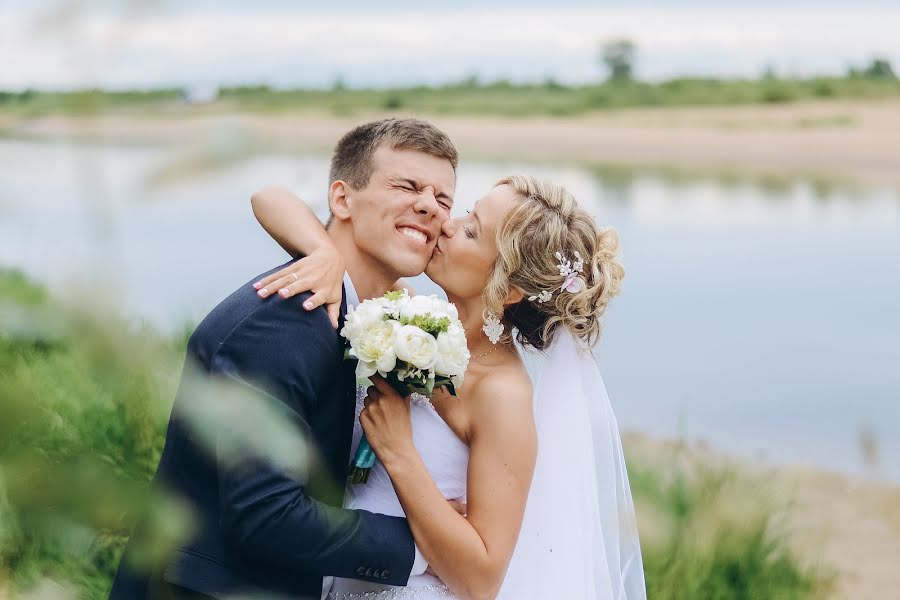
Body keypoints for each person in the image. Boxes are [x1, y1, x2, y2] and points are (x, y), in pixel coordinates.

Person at [108, 118, 459, 600]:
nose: (429, 205)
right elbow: (266, 517)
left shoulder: (382, 316)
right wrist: (425, 545)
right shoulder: (281, 324)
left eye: (444, 200)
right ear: (341, 200)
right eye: (407, 185)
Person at [250, 175, 646, 599]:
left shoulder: (502, 396)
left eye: (472, 231)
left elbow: (481, 581)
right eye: (466, 213)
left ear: (508, 287)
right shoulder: (408, 320)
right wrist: (325, 253)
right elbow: (267, 197)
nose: (449, 225)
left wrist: (400, 451)